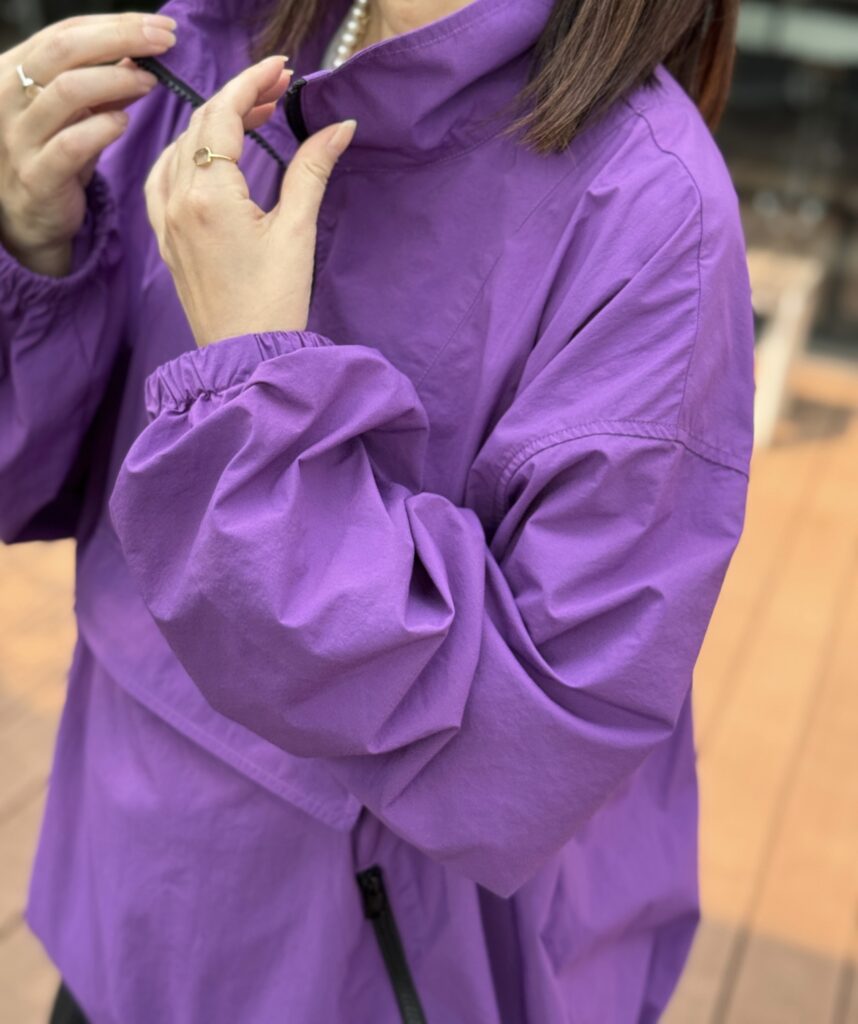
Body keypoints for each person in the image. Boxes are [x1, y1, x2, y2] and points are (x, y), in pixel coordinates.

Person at [0, 0, 755, 1020]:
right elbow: (46, 472)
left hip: (369, 967)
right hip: (119, 901)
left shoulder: (651, 213)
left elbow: (529, 738)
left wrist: (252, 398)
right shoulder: (217, 35)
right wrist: (35, 237)